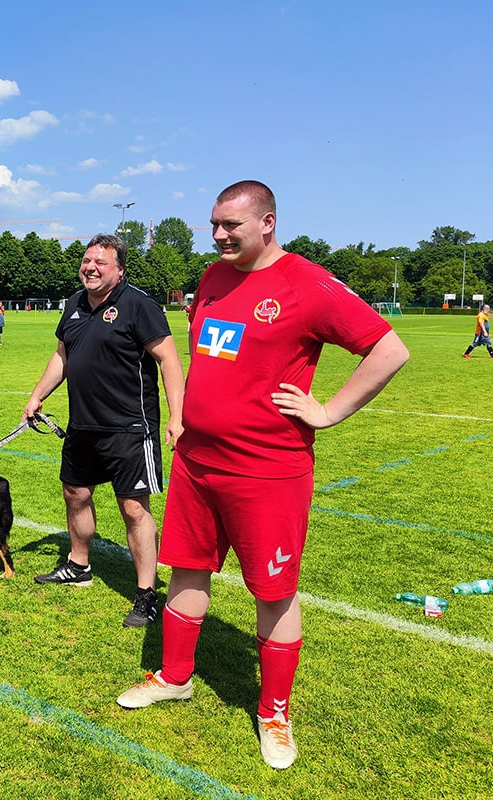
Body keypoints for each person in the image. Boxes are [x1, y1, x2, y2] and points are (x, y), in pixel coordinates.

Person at [114, 181, 409, 770]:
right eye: (214, 224)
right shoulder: (211, 276)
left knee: (272, 593)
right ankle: (175, 677)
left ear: (268, 222)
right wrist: (186, 416)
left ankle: (273, 711)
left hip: (268, 472)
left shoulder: (306, 282)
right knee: (188, 570)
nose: (219, 235)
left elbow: (388, 349)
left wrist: (327, 411)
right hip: (198, 462)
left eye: (232, 226)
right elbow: (213, 356)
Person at [25, 233, 185, 628]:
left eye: (101, 262)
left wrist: (176, 416)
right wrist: (37, 395)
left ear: (119, 270)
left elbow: (168, 359)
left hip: (131, 427)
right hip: (83, 424)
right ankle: (79, 564)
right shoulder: (75, 304)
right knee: (75, 493)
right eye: (86, 260)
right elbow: (63, 355)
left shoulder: (138, 304)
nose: (91, 267)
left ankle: (147, 594)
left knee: (133, 508)